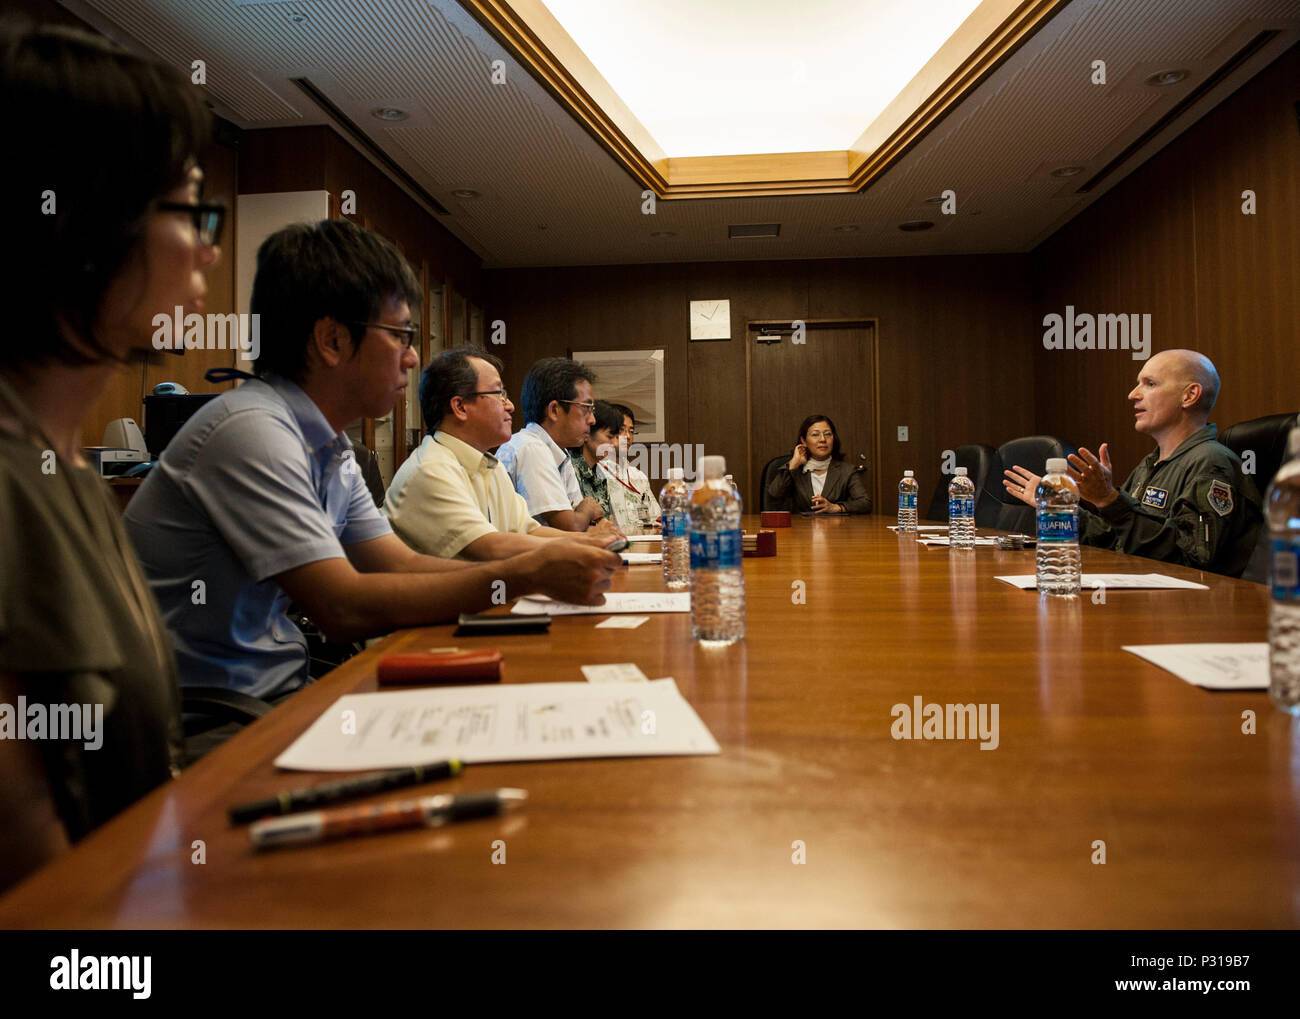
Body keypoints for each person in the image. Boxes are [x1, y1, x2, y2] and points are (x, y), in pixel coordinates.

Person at [124, 220, 621, 703]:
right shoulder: (253, 433)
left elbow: (398, 565)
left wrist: (531, 569)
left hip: (279, 694)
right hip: (207, 722)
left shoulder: (332, 446)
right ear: (332, 339)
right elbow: (342, 607)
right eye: (400, 336)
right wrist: (527, 575)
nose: (411, 358)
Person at [0, 20, 220, 891]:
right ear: (86, 220)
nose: (209, 246)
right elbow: (38, 876)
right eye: (191, 208)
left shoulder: (69, 461)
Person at [1002, 349, 1262, 577]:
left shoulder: (1211, 463)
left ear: (1190, 395)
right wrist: (1059, 509)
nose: (1132, 394)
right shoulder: (1151, 463)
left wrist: (1111, 501)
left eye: (1149, 383)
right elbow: (1113, 538)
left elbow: (1194, 561)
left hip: (1191, 616)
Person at [385, 346, 615, 558]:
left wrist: (590, 539)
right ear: (460, 407)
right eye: (499, 394)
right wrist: (587, 542)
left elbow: (528, 531)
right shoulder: (431, 469)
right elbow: (488, 546)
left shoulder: (487, 464)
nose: (510, 405)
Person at [496, 357, 608, 531]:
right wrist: (587, 508)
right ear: (554, 410)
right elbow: (572, 526)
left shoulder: (560, 451)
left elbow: (587, 525)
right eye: (586, 408)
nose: (592, 420)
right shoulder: (531, 447)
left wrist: (585, 515)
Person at [766, 414, 872, 514]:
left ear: (833, 439)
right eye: (815, 435)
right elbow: (774, 494)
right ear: (804, 441)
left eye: (828, 434)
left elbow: (865, 503)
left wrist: (837, 507)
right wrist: (793, 464)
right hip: (800, 530)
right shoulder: (796, 470)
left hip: (835, 530)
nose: (822, 439)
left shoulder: (847, 470)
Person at [602, 403, 662, 532]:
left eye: (631, 431)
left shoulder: (638, 476)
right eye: (621, 430)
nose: (628, 437)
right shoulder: (597, 472)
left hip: (644, 545)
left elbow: (657, 518)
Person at [568, 400, 622, 521]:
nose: (615, 443)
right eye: (610, 436)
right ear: (587, 434)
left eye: (616, 437)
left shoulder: (600, 473)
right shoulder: (569, 467)